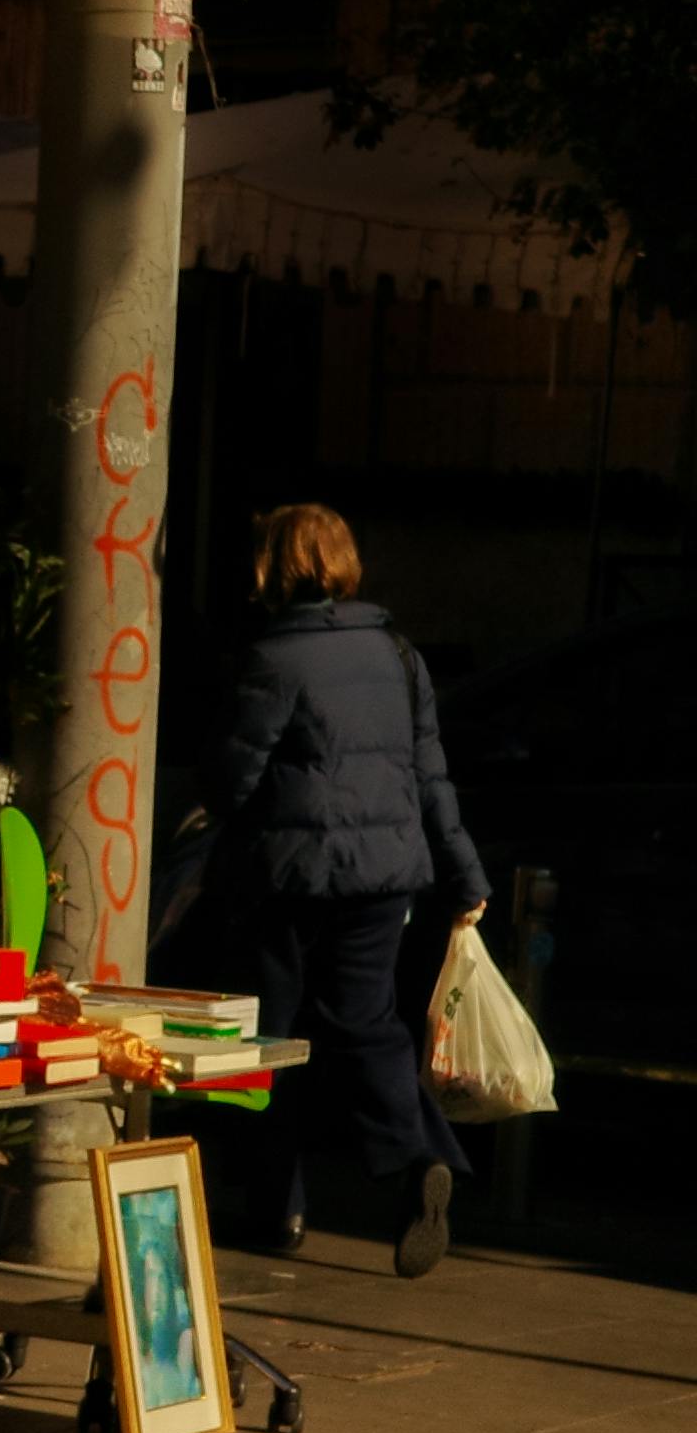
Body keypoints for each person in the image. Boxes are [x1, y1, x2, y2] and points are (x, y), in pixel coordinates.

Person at [200, 504, 487, 1277]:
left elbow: (235, 778)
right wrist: (466, 875)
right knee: (366, 1022)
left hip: (287, 875)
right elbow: (432, 776)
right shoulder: (399, 653)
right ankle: (418, 1156)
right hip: (384, 875)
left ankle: (277, 1206)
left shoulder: (274, 657)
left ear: (274, 566)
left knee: (268, 1032)